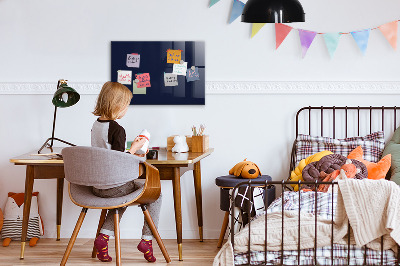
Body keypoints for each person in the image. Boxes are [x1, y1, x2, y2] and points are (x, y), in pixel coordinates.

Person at [91, 81, 161, 263]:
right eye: (126, 105)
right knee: (156, 194)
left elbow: (108, 154)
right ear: (117, 105)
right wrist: (135, 149)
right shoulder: (117, 129)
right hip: (114, 186)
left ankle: (103, 238)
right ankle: (147, 240)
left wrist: (130, 149)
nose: (126, 109)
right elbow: (118, 161)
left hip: (97, 186)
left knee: (121, 198)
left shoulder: (96, 125)